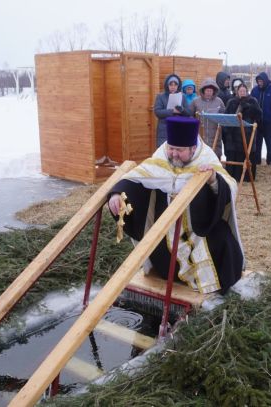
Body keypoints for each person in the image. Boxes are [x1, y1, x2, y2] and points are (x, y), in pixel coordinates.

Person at [107, 116, 244, 294]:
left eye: (179, 150)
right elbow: (138, 177)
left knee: (222, 241)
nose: (173, 154)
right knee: (157, 247)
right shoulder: (162, 156)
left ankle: (214, 292)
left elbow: (228, 188)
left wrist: (212, 180)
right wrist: (117, 194)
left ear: (193, 148)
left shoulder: (206, 159)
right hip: (166, 227)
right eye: (171, 148)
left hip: (199, 225)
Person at [223, 83, 262, 182]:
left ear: (247, 91)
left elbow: (259, 115)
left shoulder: (253, 101)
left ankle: (247, 177)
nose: (242, 93)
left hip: (248, 133)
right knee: (234, 155)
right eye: (240, 91)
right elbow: (226, 116)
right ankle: (233, 176)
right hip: (233, 134)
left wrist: (250, 107)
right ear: (237, 92)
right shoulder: (231, 101)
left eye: (244, 91)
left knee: (247, 154)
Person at [250, 72, 271, 166]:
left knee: (270, 143)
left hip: (269, 122)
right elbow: (250, 103)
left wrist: (270, 113)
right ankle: (257, 161)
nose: (260, 83)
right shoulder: (255, 90)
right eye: (258, 81)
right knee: (257, 143)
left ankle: (270, 161)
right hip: (257, 122)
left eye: (261, 81)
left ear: (265, 80)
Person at [190, 78, 225, 158]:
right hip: (200, 134)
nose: (209, 93)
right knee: (199, 156)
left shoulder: (219, 101)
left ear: (214, 91)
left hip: (215, 134)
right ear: (203, 90)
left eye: (210, 91)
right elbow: (190, 115)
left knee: (215, 157)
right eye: (207, 90)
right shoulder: (196, 101)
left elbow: (223, 116)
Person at [154, 74, 191, 147]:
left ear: (178, 86)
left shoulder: (182, 97)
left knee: (177, 152)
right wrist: (172, 111)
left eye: (175, 85)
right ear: (167, 85)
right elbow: (157, 112)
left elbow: (188, 113)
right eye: (171, 85)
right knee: (163, 153)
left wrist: (182, 110)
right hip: (164, 130)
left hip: (178, 129)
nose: (173, 87)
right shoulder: (160, 97)